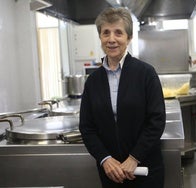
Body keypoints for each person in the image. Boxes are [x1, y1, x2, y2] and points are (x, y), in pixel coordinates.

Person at [79, 7, 166, 188]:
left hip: (145, 170)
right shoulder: (93, 82)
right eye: (106, 33)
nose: (111, 39)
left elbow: (156, 120)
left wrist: (134, 157)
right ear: (100, 37)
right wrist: (105, 159)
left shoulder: (146, 73)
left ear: (129, 37)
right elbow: (87, 127)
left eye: (118, 32)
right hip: (111, 174)